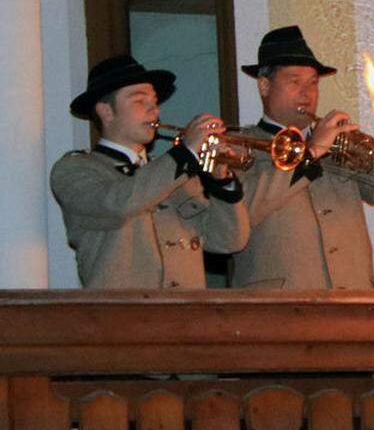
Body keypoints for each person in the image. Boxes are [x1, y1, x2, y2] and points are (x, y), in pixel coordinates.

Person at [231, 26, 374, 289]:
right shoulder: (236, 146)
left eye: (313, 82)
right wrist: (311, 153)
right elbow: (240, 216)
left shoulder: (339, 145)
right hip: (279, 314)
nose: (307, 92)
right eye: (295, 81)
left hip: (354, 308)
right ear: (264, 85)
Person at [50, 55, 248, 288]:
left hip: (187, 318)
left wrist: (221, 180)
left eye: (154, 101)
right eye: (139, 101)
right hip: (124, 319)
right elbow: (119, 204)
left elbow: (228, 241)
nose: (154, 108)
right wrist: (184, 155)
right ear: (106, 111)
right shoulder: (76, 169)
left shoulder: (177, 175)